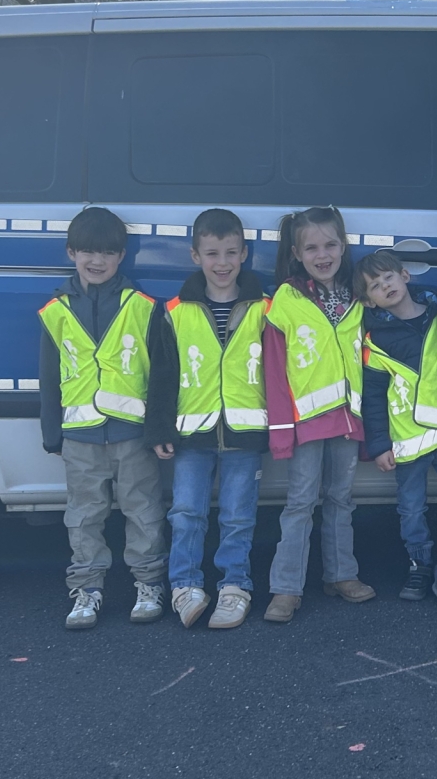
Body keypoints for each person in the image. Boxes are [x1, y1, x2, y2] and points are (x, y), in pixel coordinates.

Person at [38, 206, 178, 630]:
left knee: (144, 511)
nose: (96, 261)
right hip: (79, 436)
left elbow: (162, 374)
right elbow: (49, 376)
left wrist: (159, 429)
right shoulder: (56, 310)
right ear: (71, 252)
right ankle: (87, 589)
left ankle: (149, 584)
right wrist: (52, 433)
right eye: (87, 251)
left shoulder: (143, 306)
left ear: (121, 256)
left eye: (106, 253)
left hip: (133, 436)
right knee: (83, 516)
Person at [263, 206, 376, 622]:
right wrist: (281, 432)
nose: (322, 254)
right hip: (304, 424)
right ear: (296, 253)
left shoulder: (359, 296)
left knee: (341, 499)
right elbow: (275, 373)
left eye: (330, 245)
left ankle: (342, 575)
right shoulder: (285, 301)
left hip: (348, 420)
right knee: (300, 502)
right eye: (311, 248)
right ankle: (285, 588)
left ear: (343, 246)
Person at [358, 251, 437, 605]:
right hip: (406, 439)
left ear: (404, 275)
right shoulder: (376, 340)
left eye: (388, 277)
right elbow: (373, 397)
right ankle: (420, 564)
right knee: (411, 508)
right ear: (369, 300)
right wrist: (378, 445)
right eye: (375, 286)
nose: (385, 286)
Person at [164, 209, 268, 630]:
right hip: (192, 433)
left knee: (238, 516)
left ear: (244, 254)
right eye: (211, 253)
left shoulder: (266, 309)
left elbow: (280, 373)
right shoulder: (176, 310)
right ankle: (185, 586)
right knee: (186, 513)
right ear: (195, 256)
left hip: (246, 432)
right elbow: (164, 375)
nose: (222, 263)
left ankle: (235, 586)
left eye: (230, 253)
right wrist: (159, 429)